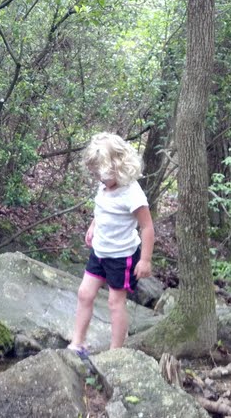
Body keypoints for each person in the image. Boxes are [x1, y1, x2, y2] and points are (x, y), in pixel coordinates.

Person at [67, 132, 155, 356]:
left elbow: (147, 227)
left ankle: (115, 352)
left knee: (115, 302)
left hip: (122, 256)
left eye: (102, 174)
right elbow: (102, 209)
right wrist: (93, 226)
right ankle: (78, 342)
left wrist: (145, 260)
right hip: (100, 251)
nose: (99, 179)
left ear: (119, 166)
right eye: (96, 174)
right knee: (84, 293)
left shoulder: (132, 193)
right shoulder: (104, 185)